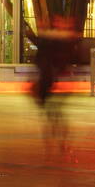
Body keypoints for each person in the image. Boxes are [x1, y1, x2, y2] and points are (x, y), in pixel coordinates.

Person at [31, 13, 78, 147]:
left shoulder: (60, 41)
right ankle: (58, 137)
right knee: (52, 112)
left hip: (54, 81)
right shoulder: (54, 40)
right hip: (49, 80)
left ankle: (58, 137)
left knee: (53, 111)